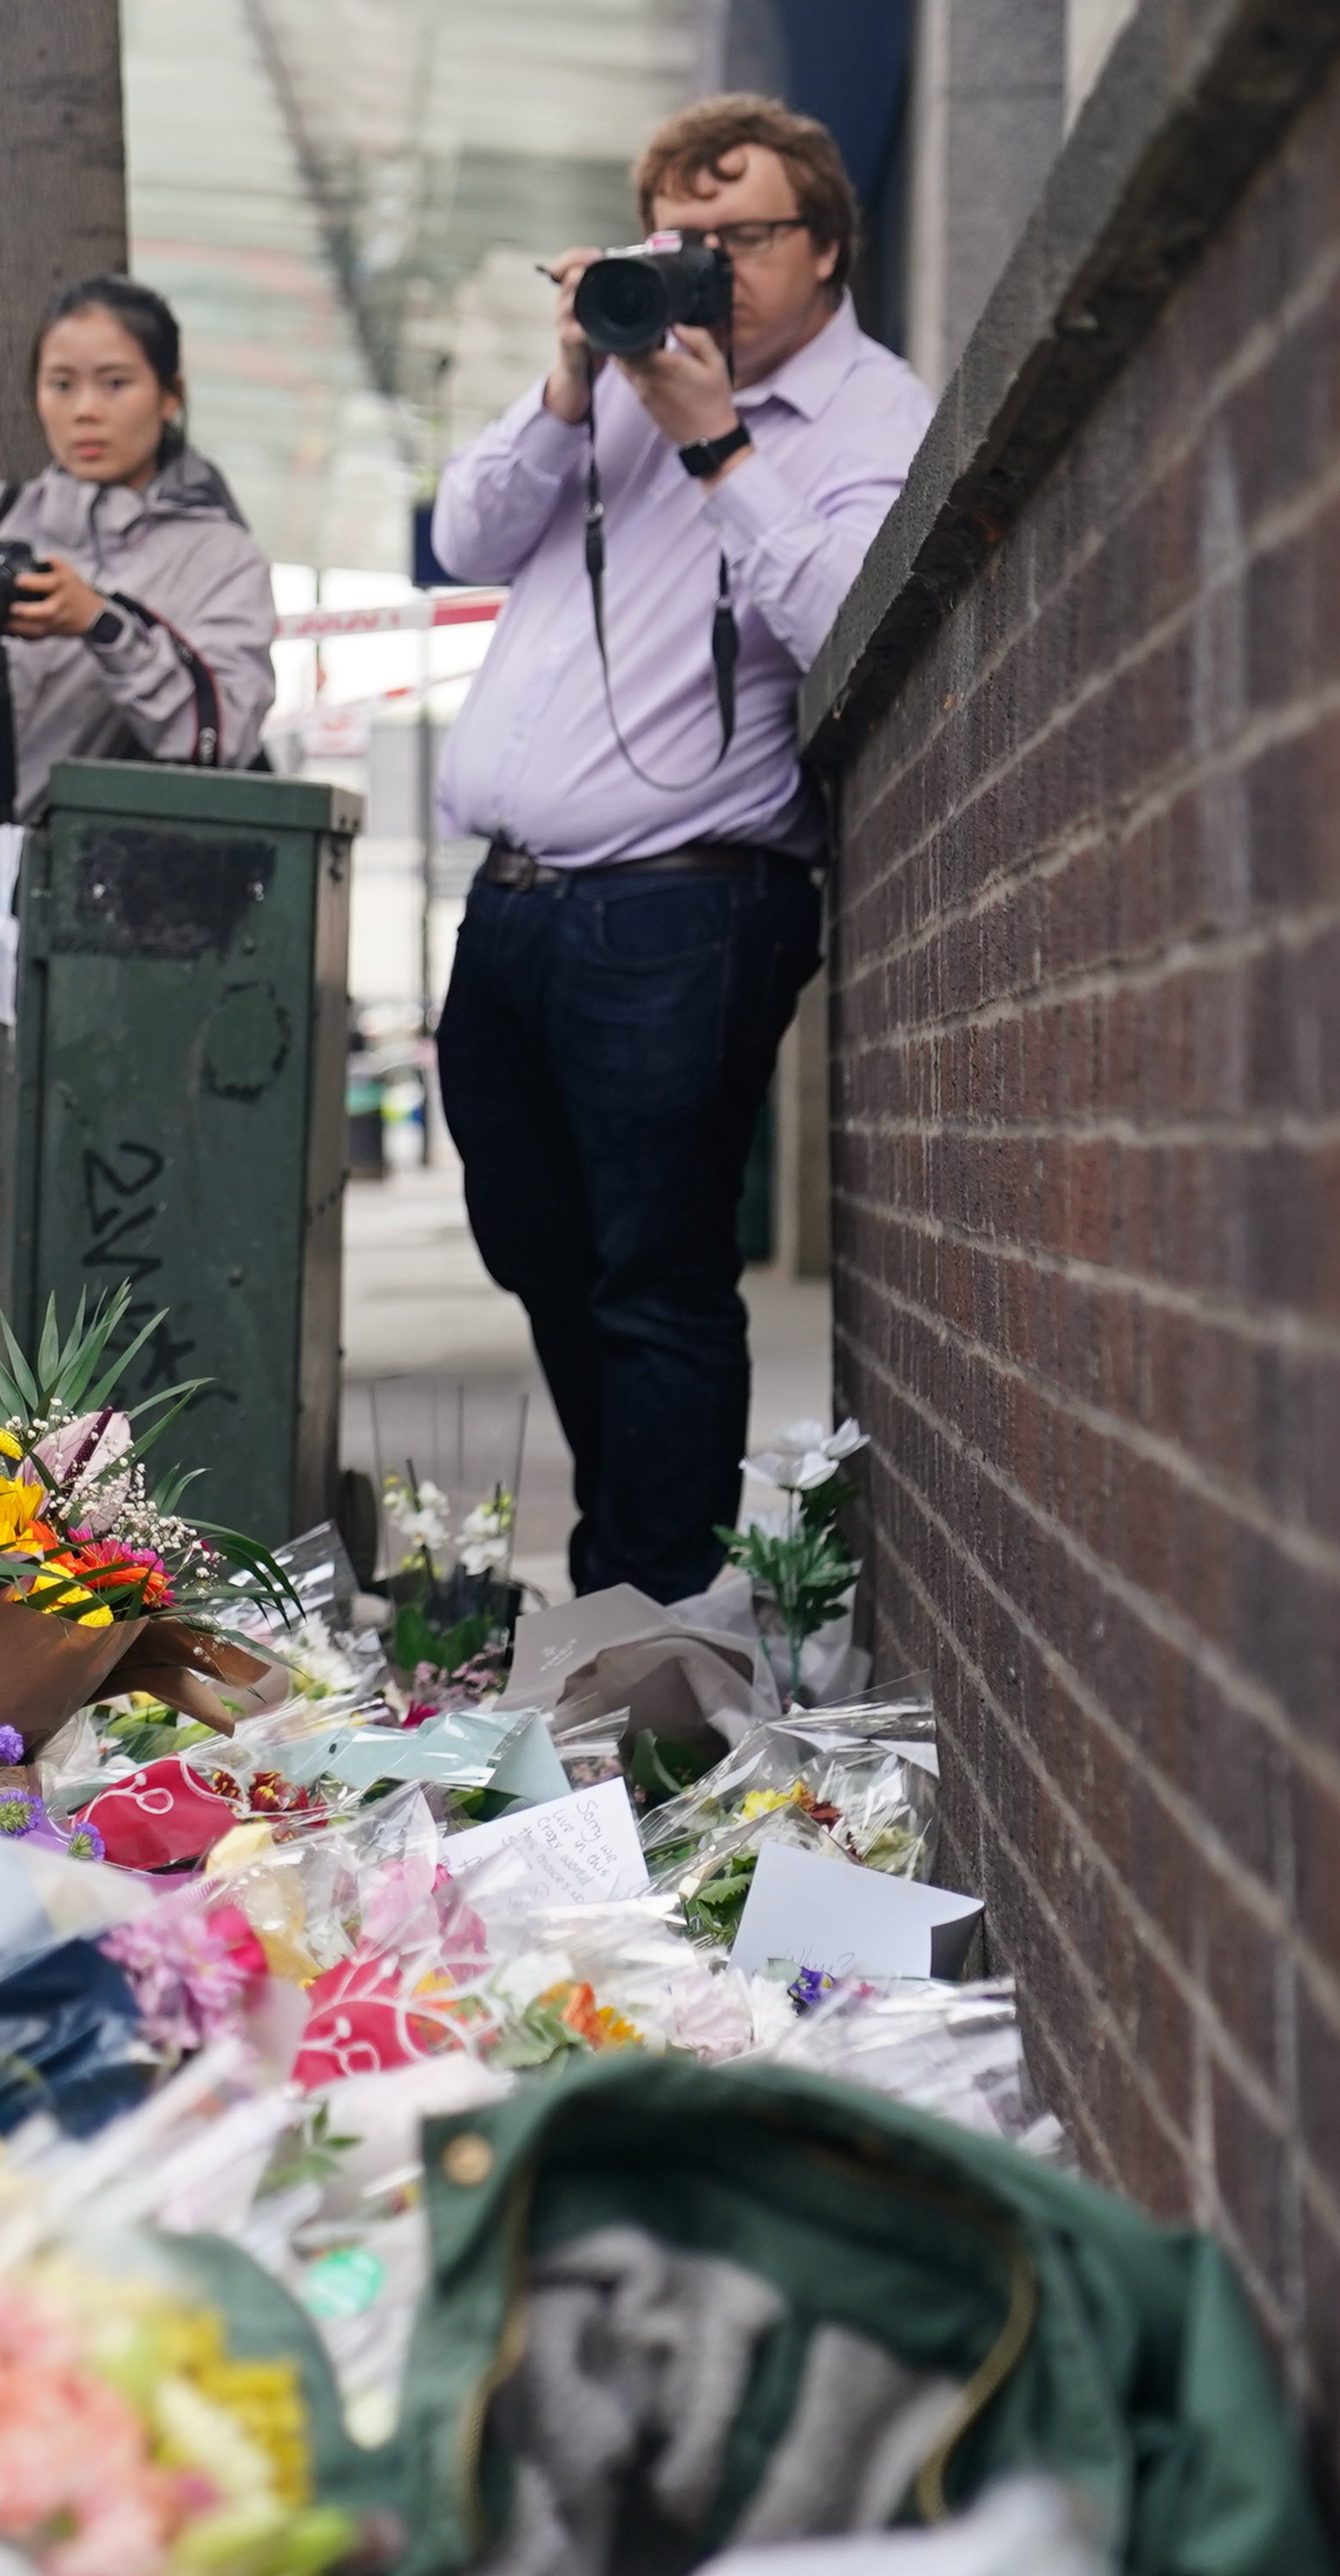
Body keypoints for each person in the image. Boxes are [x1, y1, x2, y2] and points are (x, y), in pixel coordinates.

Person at [430, 96, 929, 1605]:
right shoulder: (616, 386)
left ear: (828, 247)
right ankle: (633, 1566)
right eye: (679, 242)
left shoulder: (868, 416)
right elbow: (464, 536)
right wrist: (575, 383)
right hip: (515, 905)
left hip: (685, 913)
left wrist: (716, 440)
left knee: (652, 1279)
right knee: (537, 1250)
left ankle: (649, 1622)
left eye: (744, 238)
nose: (709, 270)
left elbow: (849, 620)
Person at [0, 277, 276, 1369]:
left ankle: (79, 1526)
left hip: (103, 958)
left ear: (168, 397)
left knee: (96, 1253)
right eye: (61, 383)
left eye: (114, 383)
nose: (85, 410)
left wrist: (101, 622)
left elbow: (215, 738)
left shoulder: (217, 556)